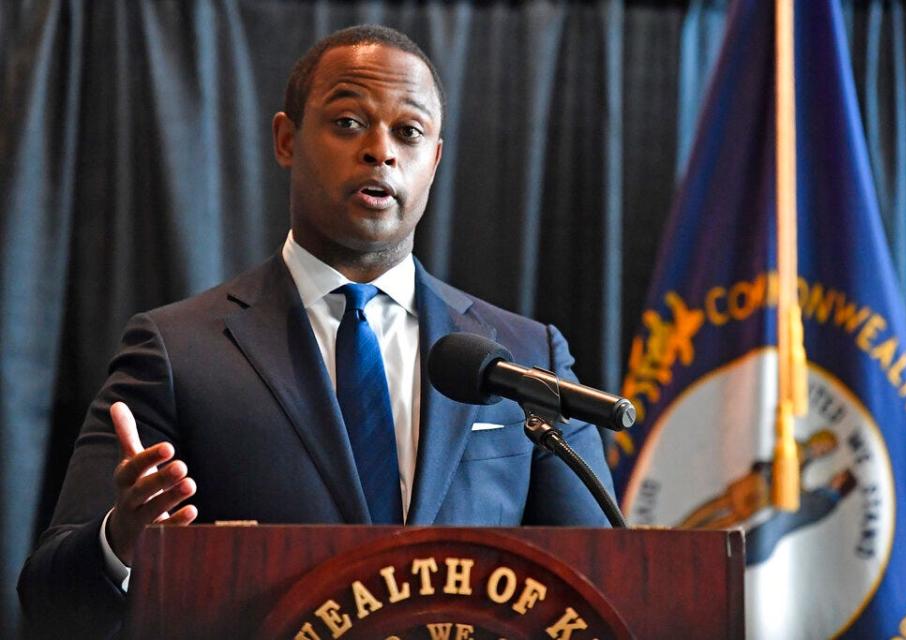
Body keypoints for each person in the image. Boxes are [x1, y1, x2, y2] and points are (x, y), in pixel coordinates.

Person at [17, 24, 613, 637]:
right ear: (286, 139)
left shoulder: (522, 355)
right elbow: (50, 600)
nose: (381, 151)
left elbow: (600, 583)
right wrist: (122, 539)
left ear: (434, 159)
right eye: (350, 122)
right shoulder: (177, 351)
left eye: (408, 132)